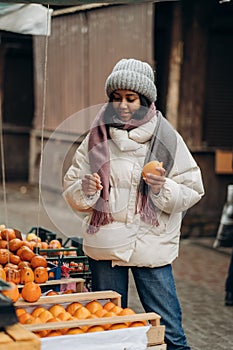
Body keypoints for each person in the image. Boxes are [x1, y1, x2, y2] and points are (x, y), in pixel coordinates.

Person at [63, 58, 205, 350]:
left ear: (146, 100)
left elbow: (192, 189)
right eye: (117, 98)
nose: (123, 105)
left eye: (131, 98)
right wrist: (85, 190)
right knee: (108, 330)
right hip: (105, 244)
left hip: (151, 245)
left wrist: (162, 187)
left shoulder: (168, 139)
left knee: (170, 333)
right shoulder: (96, 137)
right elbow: (72, 187)